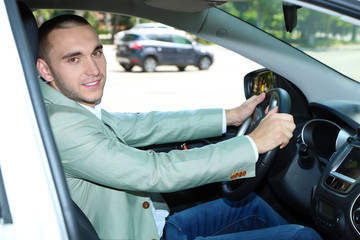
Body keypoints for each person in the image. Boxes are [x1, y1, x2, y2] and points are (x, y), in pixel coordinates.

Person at [36, 14, 321, 240]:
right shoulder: (62, 123)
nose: (94, 69)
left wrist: (231, 116)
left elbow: (144, 124)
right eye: (74, 59)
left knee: (254, 206)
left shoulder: (69, 108)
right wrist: (252, 144)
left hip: (156, 228)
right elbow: (154, 172)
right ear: (45, 69)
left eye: (96, 53)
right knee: (302, 236)